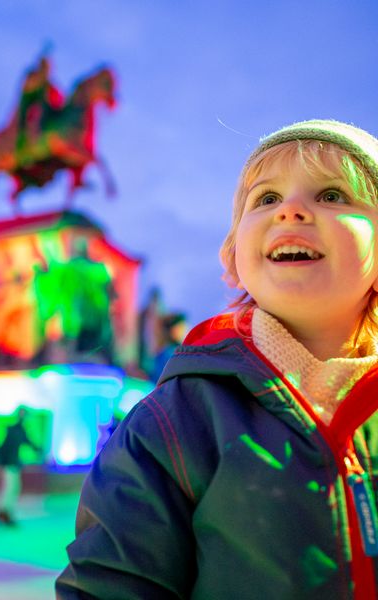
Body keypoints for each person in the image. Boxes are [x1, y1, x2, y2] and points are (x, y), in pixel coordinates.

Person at [56, 120, 378, 599]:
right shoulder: (174, 420)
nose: (291, 210)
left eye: (331, 195)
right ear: (233, 257)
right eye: (266, 199)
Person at [0, 407, 41, 525]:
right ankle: (4, 513)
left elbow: (28, 442)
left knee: (10, 487)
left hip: (11, 463)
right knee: (10, 488)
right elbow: (5, 447)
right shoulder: (14, 430)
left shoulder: (18, 430)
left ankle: (4, 512)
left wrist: (37, 449)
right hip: (10, 464)